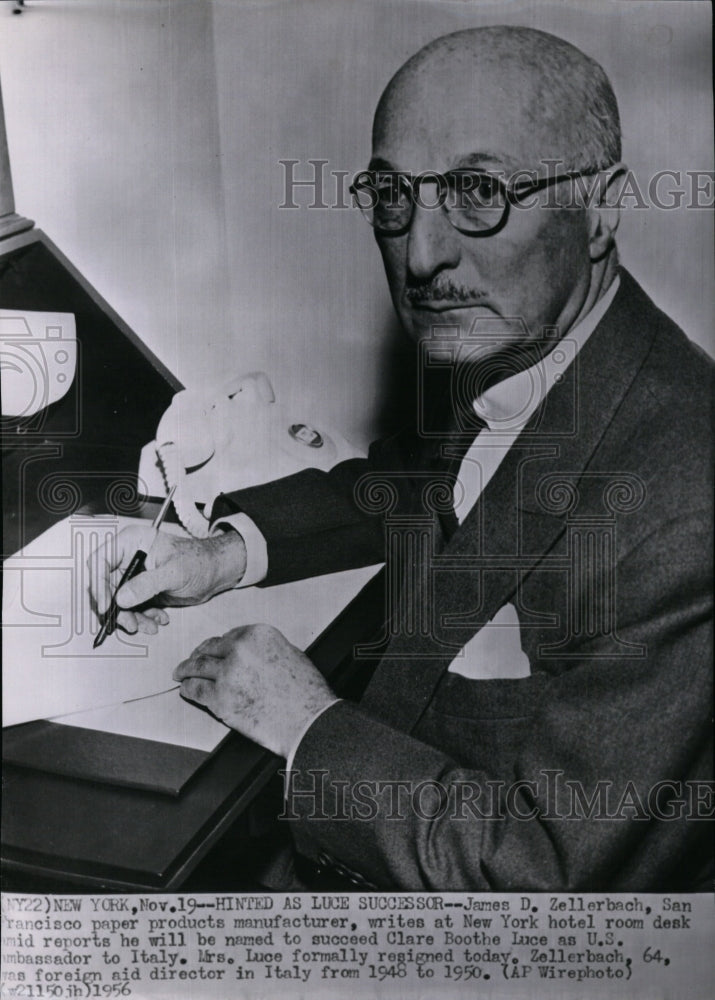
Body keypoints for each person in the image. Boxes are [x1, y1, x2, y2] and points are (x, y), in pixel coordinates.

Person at [89, 26, 713, 891]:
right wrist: (222, 552)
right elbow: (421, 485)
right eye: (392, 197)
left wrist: (307, 722)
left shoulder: (686, 502)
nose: (420, 256)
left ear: (600, 206)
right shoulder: (528, 345)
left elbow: (543, 881)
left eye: (477, 192)